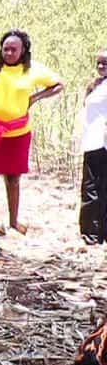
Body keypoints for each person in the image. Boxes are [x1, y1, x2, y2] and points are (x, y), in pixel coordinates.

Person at [0, 30, 64, 235]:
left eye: (13, 49)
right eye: (5, 48)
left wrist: (36, 97)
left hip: (18, 133)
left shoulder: (32, 69)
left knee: (13, 178)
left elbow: (59, 84)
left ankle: (13, 221)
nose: (8, 53)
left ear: (23, 50)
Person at [79, 49, 107, 245]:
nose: (100, 67)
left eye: (105, 63)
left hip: (103, 141)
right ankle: (91, 232)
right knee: (91, 187)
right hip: (93, 141)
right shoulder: (96, 86)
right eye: (98, 63)